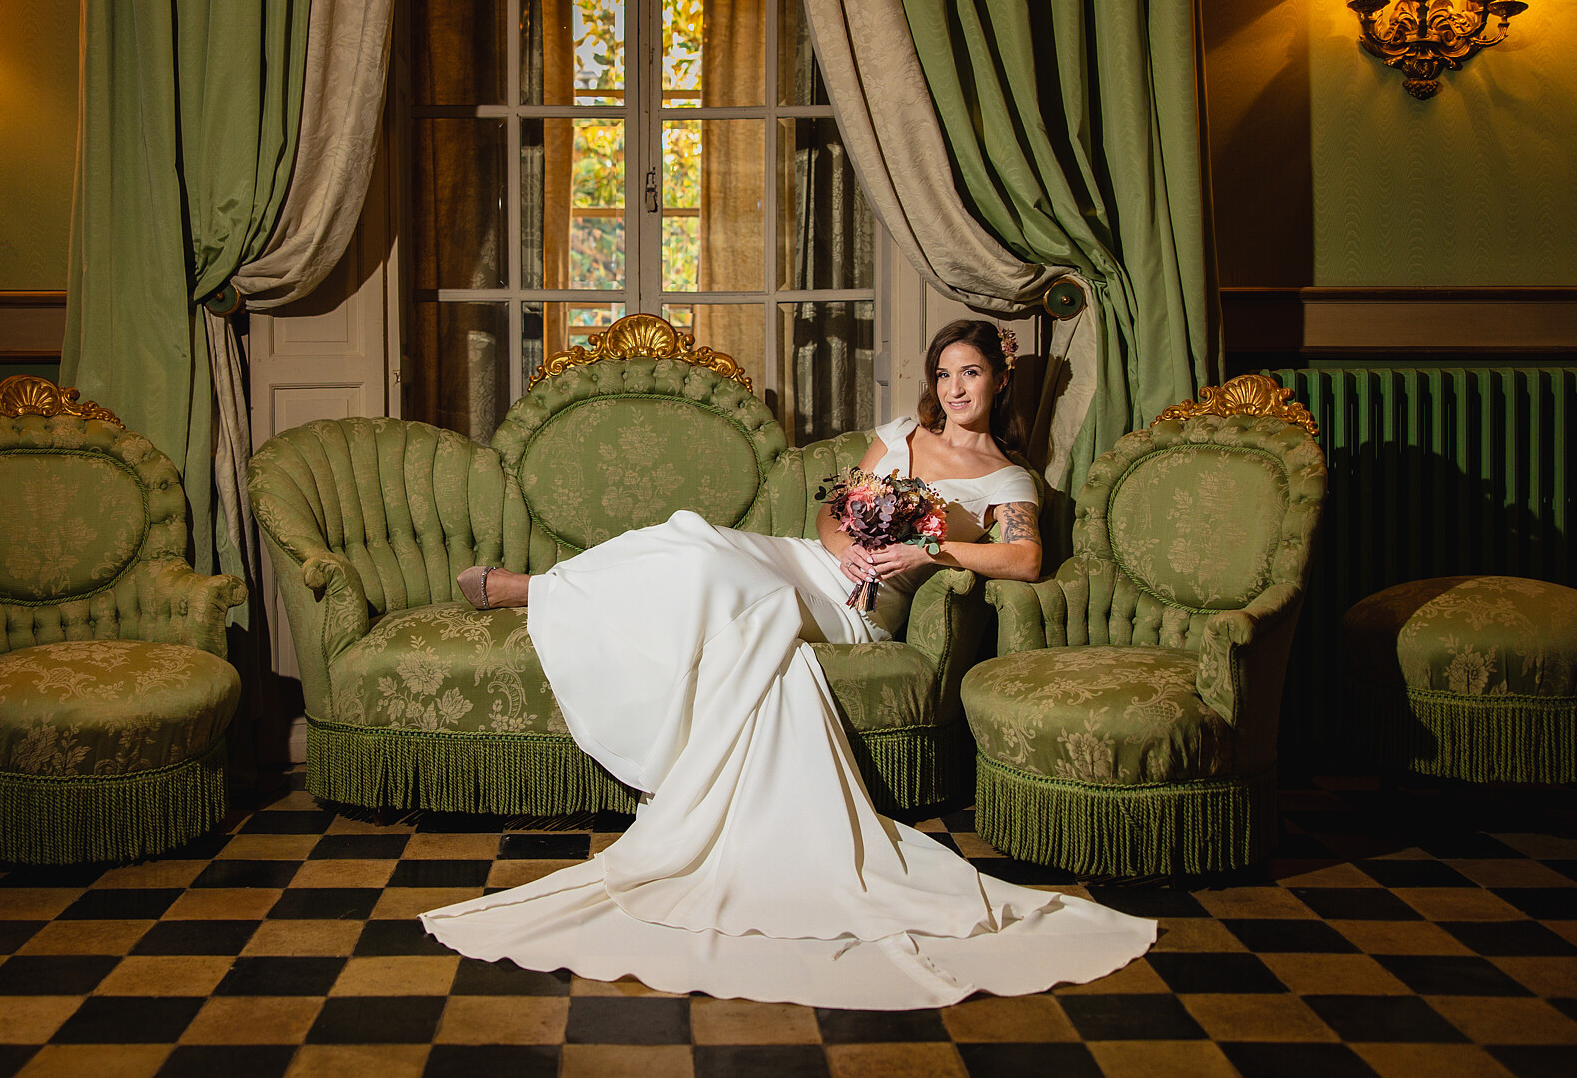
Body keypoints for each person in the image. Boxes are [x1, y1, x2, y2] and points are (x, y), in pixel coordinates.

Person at [420, 320, 1158, 1009]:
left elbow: (1025, 559)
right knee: (693, 536)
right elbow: (834, 514)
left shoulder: (1007, 477)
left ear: (999, 378)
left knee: (717, 580)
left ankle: (534, 591)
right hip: (812, 564)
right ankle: (544, 587)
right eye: (943, 375)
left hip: (859, 609)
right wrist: (852, 544)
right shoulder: (900, 435)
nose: (955, 389)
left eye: (970, 373)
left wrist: (926, 549)